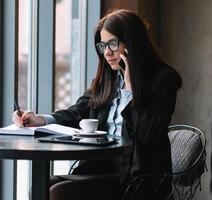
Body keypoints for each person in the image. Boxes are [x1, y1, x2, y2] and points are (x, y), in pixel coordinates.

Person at [13, 9, 182, 200]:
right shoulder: (107, 78)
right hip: (99, 166)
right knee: (39, 189)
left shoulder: (164, 79)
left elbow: (149, 134)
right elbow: (78, 112)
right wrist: (41, 119)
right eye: (103, 46)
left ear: (132, 43)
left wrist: (129, 91)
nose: (107, 52)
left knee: (58, 193)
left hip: (136, 176)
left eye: (113, 44)